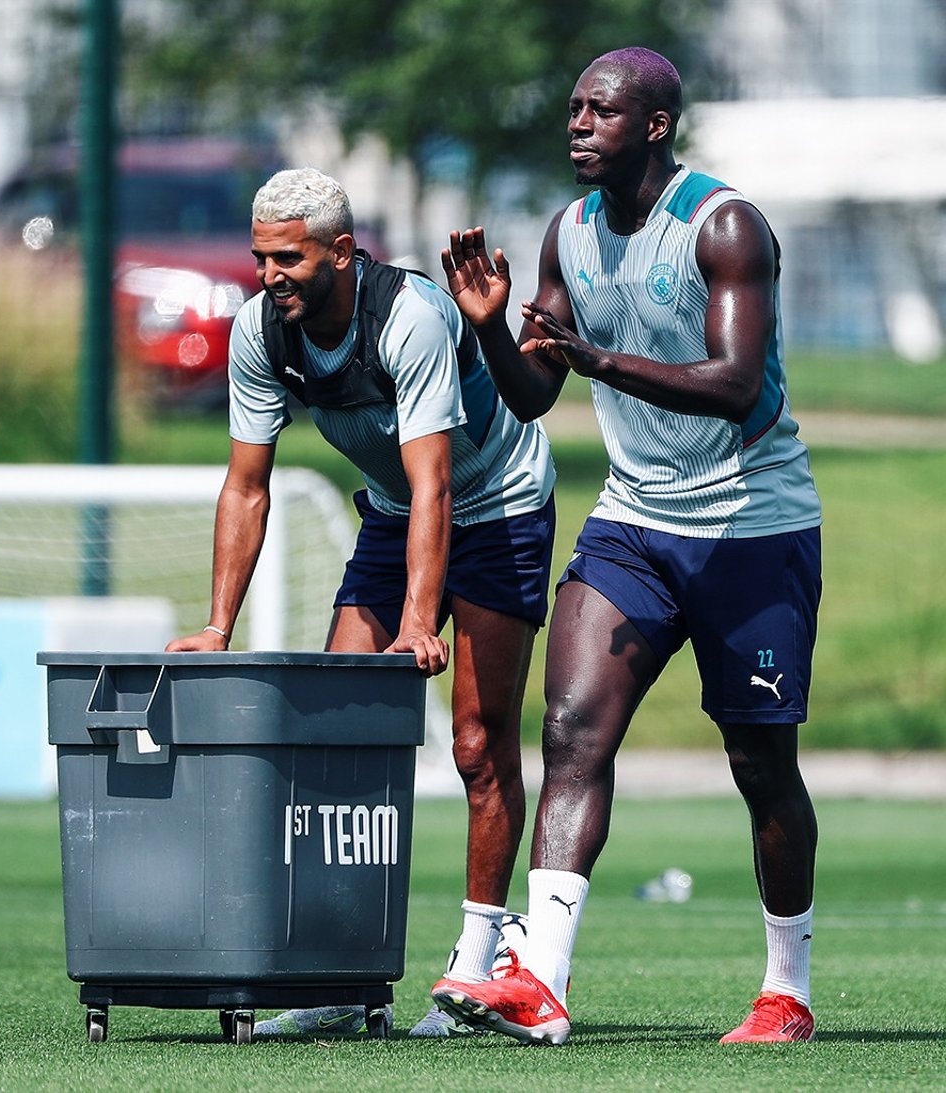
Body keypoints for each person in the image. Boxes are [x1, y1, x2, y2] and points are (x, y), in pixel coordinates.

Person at [431, 46, 822, 1045]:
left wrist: (596, 357)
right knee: (570, 732)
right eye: (572, 109)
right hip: (633, 525)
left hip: (751, 528)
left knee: (758, 761)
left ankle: (787, 989)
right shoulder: (564, 232)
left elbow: (736, 385)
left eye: (599, 111)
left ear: (653, 124)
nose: (576, 125)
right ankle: (538, 981)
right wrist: (488, 331)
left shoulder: (723, 224)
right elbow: (533, 393)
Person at [165, 167, 556, 1038]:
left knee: (476, 743)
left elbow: (437, 482)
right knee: (332, 736)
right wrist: (217, 626)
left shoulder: (409, 317)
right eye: (260, 257)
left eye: (288, 259)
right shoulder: (260, 330)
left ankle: (478, 962)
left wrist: (421, 620)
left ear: (342, 252)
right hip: (394, 514)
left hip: (494, 505)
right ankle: (337, 969)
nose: (269, 275)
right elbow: (247, 487)